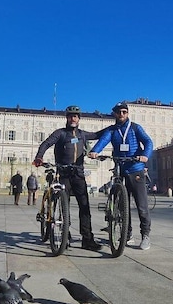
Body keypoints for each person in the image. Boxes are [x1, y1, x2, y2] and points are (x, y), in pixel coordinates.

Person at [34, 105, 103, 251]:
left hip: (78, 174)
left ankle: (87, 239)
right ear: (67, 118)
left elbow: (97, 134)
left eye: (76, 116)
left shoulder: (82, 135)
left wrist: (114, 128)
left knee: (85, 207)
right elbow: (46, 143)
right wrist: (39, 156)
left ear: (79, 119)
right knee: (64, 206)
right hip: (63, 173)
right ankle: (66, 235)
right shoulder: (60, 134)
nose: (73, 118)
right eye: (71, 116)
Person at [88, 102, 154, 250]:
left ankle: (145, 235)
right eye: (119, 112)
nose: (122, 115)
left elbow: (148, 141)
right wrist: (95, 151)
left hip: (135, 168)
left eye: (124, 112)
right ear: (115, 114)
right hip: (120, 169)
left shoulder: (135, 128)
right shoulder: (112, 130)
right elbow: (103, 140)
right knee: (122, 207)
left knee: (142, 206)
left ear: (127, 113)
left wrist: (145, 155)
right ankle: (127, 234)